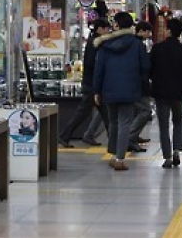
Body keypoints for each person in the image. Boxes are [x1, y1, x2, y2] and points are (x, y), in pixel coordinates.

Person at [94, 12, 150, 171]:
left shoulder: (105, 44)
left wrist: (97, 90)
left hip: (109, 89)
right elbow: (145, 66)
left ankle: (113, 155)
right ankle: (119, 158)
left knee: (113, 121)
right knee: (125, 122)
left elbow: (99, 70)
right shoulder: (138, 44)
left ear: (116, 25)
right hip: (130, 88)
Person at [149, 18, 182, 168]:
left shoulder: (157, 49)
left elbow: (150, 70)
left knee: (163, 125)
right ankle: (177, 150)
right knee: (178, 121)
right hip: (178, 93)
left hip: (160, 92)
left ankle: (167, 157)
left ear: (169, 31)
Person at [59, 19, 110, 148]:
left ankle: (85, 136)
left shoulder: (94, 40)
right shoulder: (96, 42)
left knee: (104, 114)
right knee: (87, 113)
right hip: (92, 85)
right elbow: (94, 64)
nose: (108, 31)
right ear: (100, 29)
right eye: (106, 29)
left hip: (91, 83)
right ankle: (65, 136)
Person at [128, 21, 154, 152]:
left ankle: (134, 136)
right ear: (142, 30)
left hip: (130, 83)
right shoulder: (139, 45)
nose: (149, 34)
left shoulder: (130, 43)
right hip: (139, 84)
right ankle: (130, 137)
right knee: (146, 111)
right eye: (148, 32)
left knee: (136, 111)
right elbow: (145, 66)